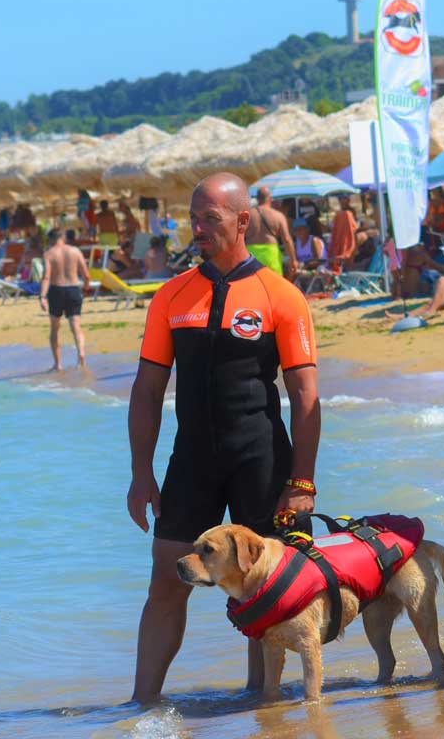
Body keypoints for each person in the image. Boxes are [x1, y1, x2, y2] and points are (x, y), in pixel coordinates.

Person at [126, 172, 321, 704]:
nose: (198, 227)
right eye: (194, 217)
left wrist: (301, 480)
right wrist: (141, 473)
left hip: (262, 459)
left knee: (268, 589)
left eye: (210, 218)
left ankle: (262, 705)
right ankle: (142, 706)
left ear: (242, 221)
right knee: (167, 582)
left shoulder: (280, 296)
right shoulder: (171, 296)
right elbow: (146, 390)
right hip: (191, 460)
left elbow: (305, 396)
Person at [39, 228, 89, 371]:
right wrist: (85, 289)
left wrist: (42, 297)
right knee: (76, 326)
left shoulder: (49, 254)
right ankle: (81, 355)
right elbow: (86, 275)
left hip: (56, 290)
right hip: (73, 289)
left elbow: (46, 277)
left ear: (51, 239)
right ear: (63, 237)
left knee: (55, 328)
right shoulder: (75, 251)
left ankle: (58, 364)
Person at [245, 185, 298, 278]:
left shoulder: (248, 214)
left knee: (253, 285)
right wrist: (293, 260)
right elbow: (287, 239)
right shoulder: (278, 215)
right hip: (271, 254)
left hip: (251, 254)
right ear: (270, 199)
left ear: (257, 198)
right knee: (273, 285)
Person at [329, 195, 359, 273]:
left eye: (344, 199)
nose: (342, 201)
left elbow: (354, 228)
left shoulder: (349, 212)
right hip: (342, 242)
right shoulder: (340, 213)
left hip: (348, 242)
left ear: (348, 200)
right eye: (341, 199)